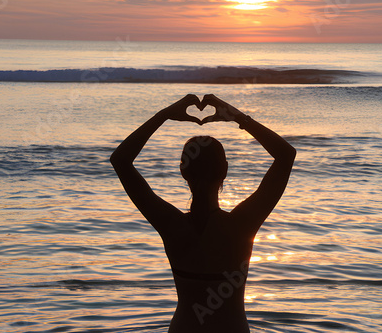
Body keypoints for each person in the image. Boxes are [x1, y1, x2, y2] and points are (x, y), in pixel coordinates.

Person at [110, 94, 296, 333]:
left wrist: (164, 115)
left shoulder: (170, 225)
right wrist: (237, 116)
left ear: (182, 172)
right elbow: (285, 155)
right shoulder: (241, 226)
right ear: (225, 171)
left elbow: (120, 160)